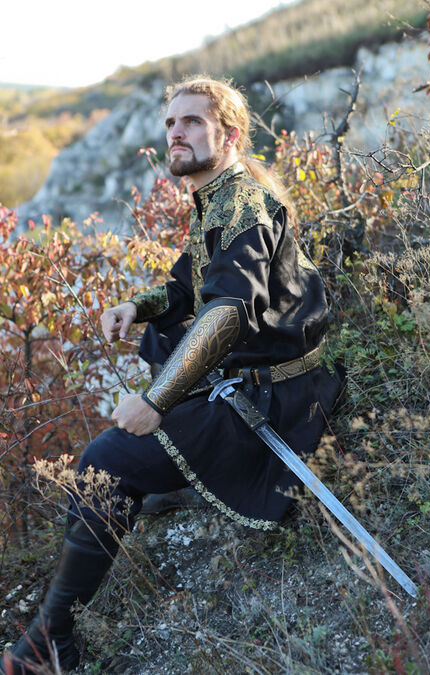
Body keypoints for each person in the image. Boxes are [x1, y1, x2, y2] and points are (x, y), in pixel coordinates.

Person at [0, 76, 344, 674]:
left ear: (230, 135)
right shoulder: (218, 197)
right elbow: (188, 285)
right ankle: (172, 478)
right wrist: (137, 305)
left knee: (106, 462)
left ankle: (48, 645)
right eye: (170, 123)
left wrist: (156, 401)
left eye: (192, 122)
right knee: (158, 336)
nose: (175, 133)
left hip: (274, 402)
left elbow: (228, 311)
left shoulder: (242, 204)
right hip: (256, 381)